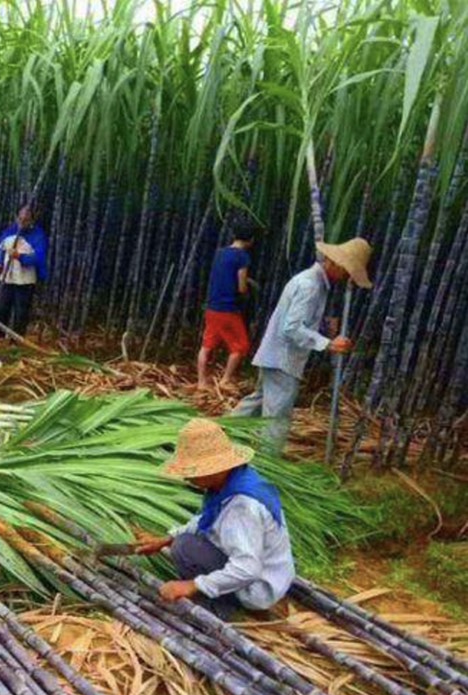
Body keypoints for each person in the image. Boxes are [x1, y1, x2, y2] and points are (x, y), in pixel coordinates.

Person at [136, 419, 295, 620]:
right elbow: (206, 519)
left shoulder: (241, 506)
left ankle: (221, 609)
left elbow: (247, 568)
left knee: (185, 548)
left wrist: (193, 586)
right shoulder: (233, 481)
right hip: (268, 573)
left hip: (258, 587)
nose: (187, 478)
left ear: (216, 468)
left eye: (193, 471)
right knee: (181, 541)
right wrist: (167, 539)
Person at [230, 238, 373, 454]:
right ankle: (268, 466)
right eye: (346, 271)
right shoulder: (311, 286)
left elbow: (300, 320)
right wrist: (328, 343)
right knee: (277, 418)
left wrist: (324, 326)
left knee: (256, 403)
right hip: (283, 359)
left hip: (275, 355)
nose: (346, 278)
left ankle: (215, 432)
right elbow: (292, 328)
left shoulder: (312, 282)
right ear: (334, 263)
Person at [197, 217, 256, 389]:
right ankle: (225, 380)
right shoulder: (243, 257)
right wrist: (249, 287)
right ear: (251, 239)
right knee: (240, 347)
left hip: (212, 307)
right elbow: (241, 287)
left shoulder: (220, 252)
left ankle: (201, 382)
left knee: (206, 346)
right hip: (228, 309)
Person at [0, 205, 49, 338]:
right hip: (7, 277)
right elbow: (1, 250)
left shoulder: (38, 235)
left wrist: (20, 257)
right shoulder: (10, 231)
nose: (22, 222)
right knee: (1, 308)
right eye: (20, 219)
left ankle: (16, 340)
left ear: (32, 221)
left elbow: (39, 258)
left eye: (26, 220)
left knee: (21, 311)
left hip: (25, 280)